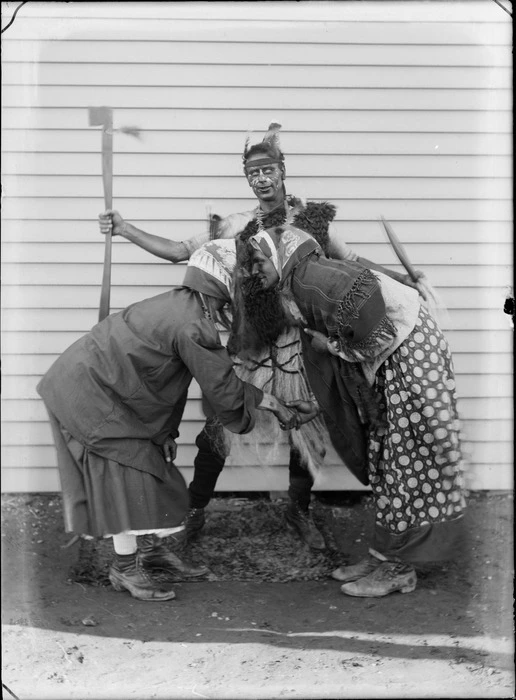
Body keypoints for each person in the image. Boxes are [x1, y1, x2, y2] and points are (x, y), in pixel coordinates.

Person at [98, 123, 426, 549]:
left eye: (268, 169)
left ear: (282, 169)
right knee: (221, 425)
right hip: (251, 341)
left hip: (302, 340)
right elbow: (181, 251)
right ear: (248, 179)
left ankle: (298, 510)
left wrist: (403, 279)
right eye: (254, 174)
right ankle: (195, 511)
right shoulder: (236, 225)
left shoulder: (311, 222)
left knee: (307, 424)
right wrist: (124, 229)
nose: (262, 179)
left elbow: (353, 264)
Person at [37, 240, 299, 602]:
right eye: (243, 277)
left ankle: (150, 552)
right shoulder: (193, 323)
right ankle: (125, 568)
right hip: (90, 395)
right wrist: (273, 402)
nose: (250, 284)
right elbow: (221, 388)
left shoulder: (186, 306)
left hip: (104, 387)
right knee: (129, 480)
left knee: (155, 471)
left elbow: (166, 378)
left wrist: (165, 432)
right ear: (223, 281)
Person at [240, 223, 466, 597]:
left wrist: (330, 348)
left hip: (410, 355)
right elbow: (354, 335)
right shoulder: (304, 279)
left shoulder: (312, 279)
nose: (257, 269)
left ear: (281, 258)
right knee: (386, 456)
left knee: (404, 460)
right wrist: (316, 401)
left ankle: (398, 568)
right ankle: (384, 554)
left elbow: (378, 335)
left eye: (262, 260)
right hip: (397, 356)